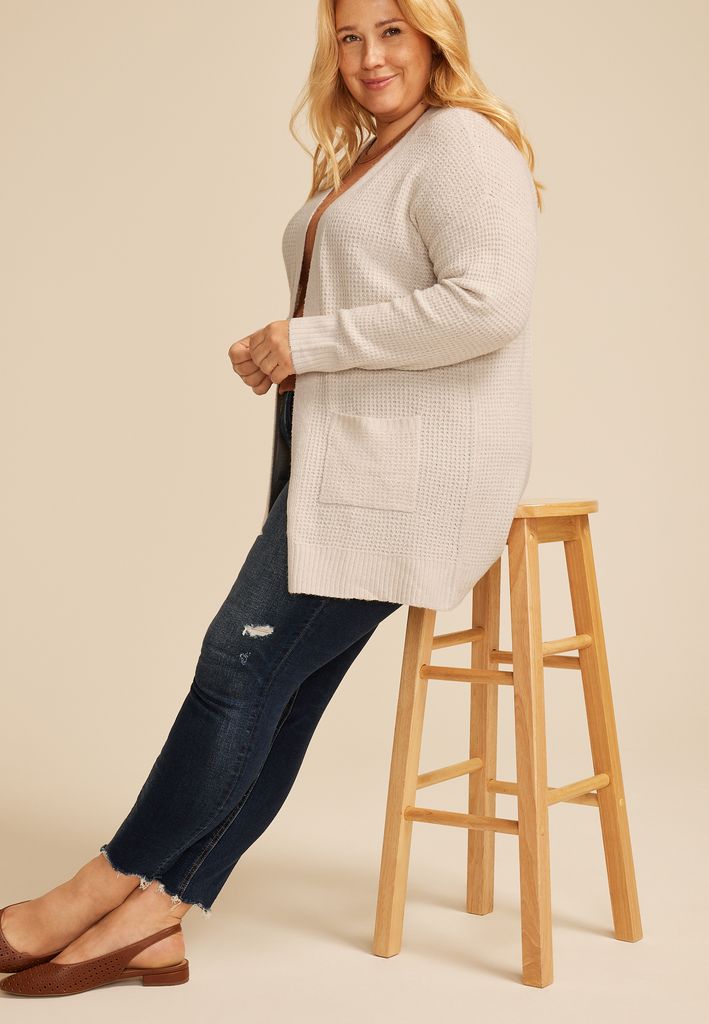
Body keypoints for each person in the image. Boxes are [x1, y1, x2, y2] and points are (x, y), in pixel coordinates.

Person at [0, 0, 543, 997]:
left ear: (433, 34)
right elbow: (381, 307)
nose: (368, 56)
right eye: (349, 36)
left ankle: (99, 888)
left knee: (235, 668)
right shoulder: (380, 150)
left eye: (390, 30)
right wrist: (295, 352)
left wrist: (309, 342)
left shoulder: (460, 144)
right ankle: (159, 920)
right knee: (278, 691)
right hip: (347, 459)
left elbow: (489, 302)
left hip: (407, 475)